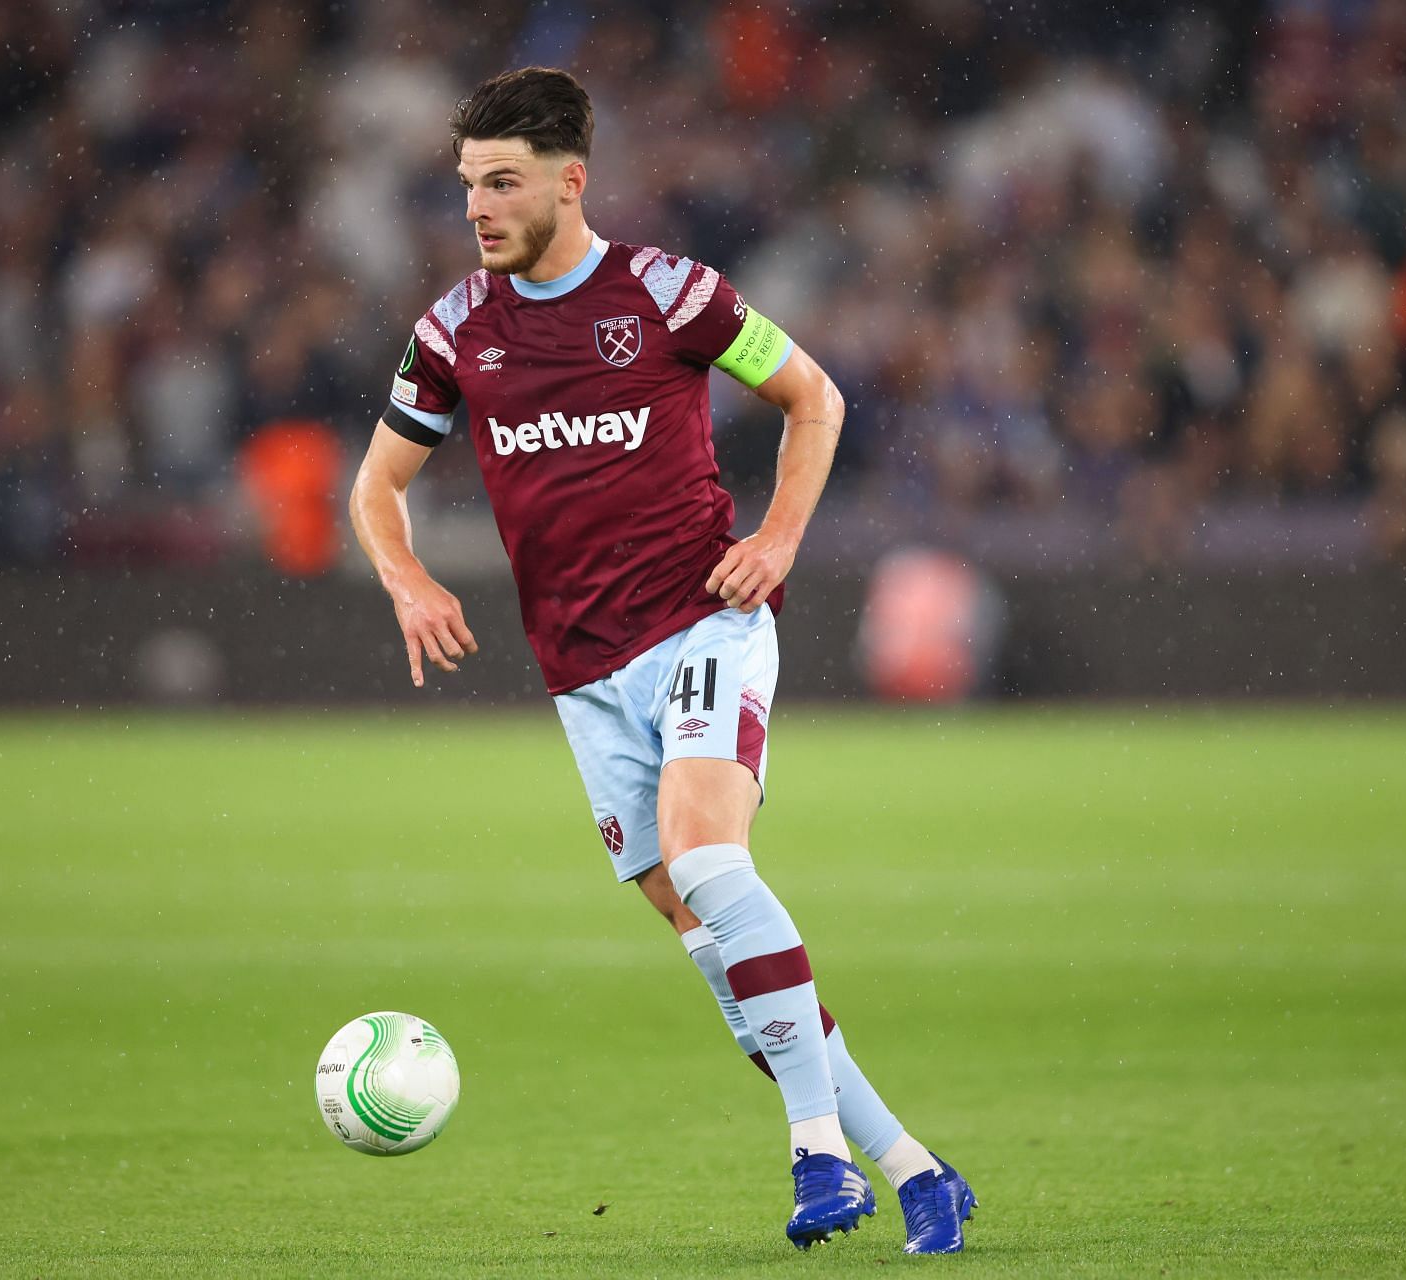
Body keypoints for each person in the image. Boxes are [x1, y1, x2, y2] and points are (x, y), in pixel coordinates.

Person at [348, 67, 976, 1254]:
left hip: (701, 624)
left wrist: (777, 538)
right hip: (582, 678)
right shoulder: (454, 332)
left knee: (708, 856)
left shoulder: (669, 294)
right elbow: (375, 487)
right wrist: (409, 576)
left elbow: (816, 398)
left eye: (503, 182)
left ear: (569, 181)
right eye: (468, 184)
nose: (478, 207)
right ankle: (916, 1165)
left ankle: (816, 1154)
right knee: (713, 939)